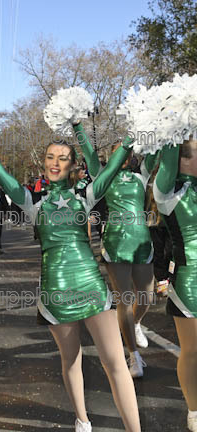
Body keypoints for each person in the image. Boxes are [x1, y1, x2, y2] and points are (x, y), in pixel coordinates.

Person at [0, 123, 141, 432]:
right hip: (57, 292)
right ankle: (82, 420)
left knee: (116, 363)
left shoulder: (86, 197)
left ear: (73, 165)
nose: (55, 162)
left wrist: (133, 134)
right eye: (50, 157)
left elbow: (113, 166)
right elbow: (5, 178)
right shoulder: (34, 204)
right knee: (71, 360)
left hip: (92, 287)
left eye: (63, 158)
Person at [74, 121, 158, 378]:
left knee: (146, 295)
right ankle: (133, 355)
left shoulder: (141, 175)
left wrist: (159, 120)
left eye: (128, 151)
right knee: (125, 299)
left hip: (141, 241)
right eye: (120, 151)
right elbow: (88, 151)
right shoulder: (103, 176)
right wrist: (78, 126)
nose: (126, 155)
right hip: (115, 242)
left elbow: (155, 151)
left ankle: (137, 323)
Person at [153, 138, 197, 432]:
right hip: (190, 282)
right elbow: (168, 156)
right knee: (193, 351)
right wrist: (171, 116)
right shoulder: (168, 191)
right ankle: (194, 410)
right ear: (182, 159)